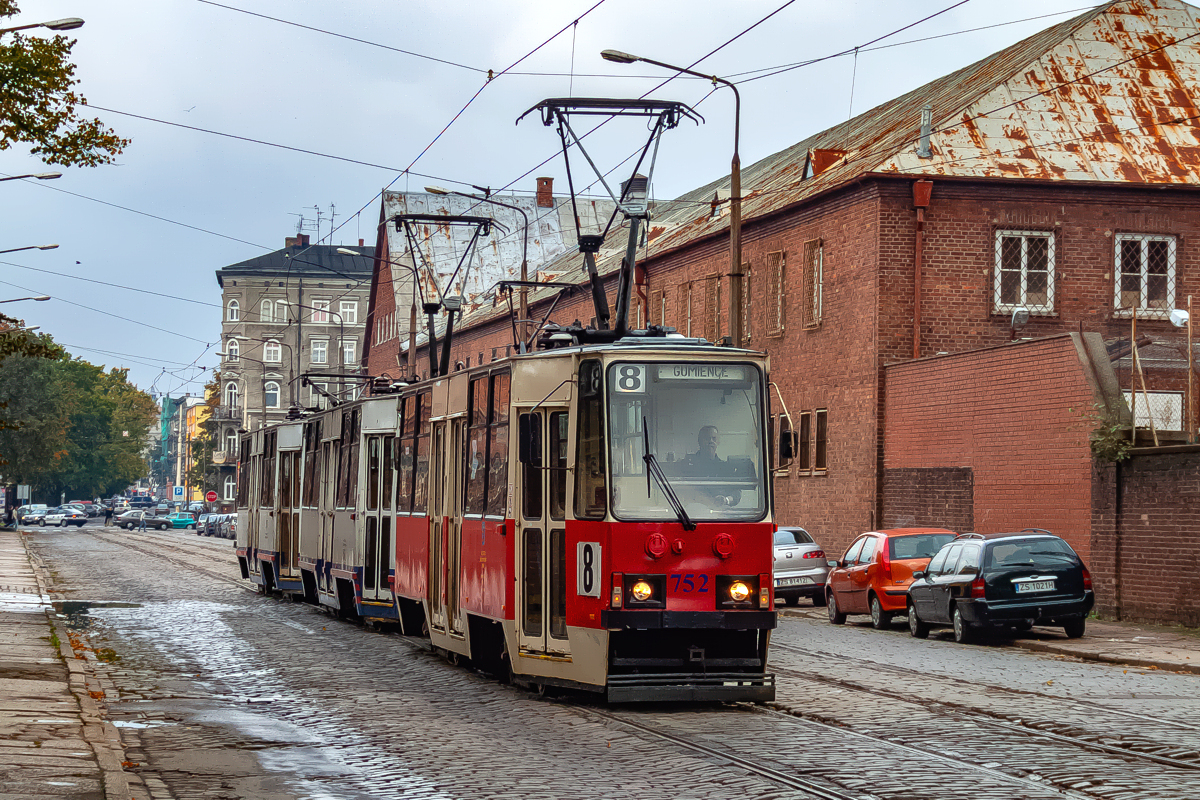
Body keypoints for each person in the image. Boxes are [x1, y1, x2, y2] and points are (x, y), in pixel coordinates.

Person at [680, 425, 741, 506]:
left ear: (718, 442)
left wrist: (725, 500)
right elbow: (677, 488)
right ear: (699, 441)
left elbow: (736, 492)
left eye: (714, 438)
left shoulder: (725, 467)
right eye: (707, 438)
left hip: (717, 514)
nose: (711, 441)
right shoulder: (686, 464)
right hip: (689, 513)